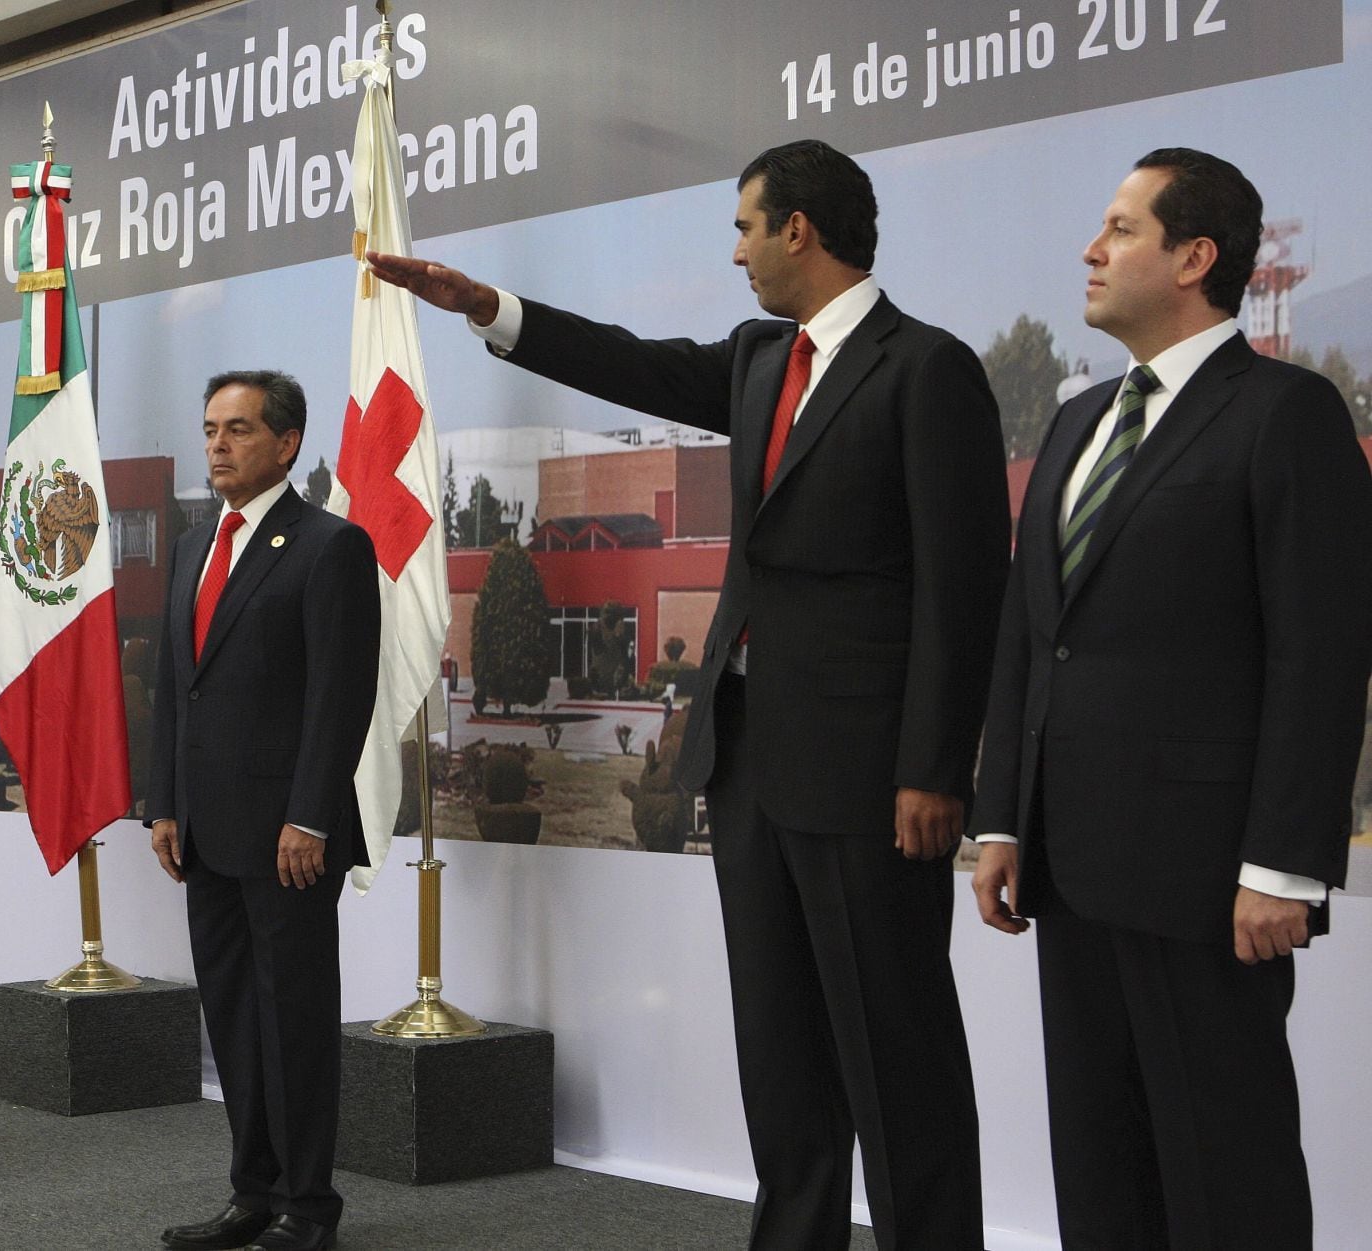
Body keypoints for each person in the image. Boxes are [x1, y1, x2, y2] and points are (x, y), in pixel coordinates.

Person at [370, 139, 1009, 1250]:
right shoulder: (764, 358)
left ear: (798, 229)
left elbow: (964, 587)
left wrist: (932, 769)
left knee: (895, 1056)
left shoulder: (926, 368)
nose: (736, 252)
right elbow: (634, 364)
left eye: (745, 227)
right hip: (752, 760)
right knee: (782, 1054)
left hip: (870, 781)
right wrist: (491, 308)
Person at [971, 148, 1372, 1249]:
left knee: (1223, 1174)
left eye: (1120, 229)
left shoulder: (1287, 414)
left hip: (1210, 882)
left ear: (1195, 257)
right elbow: (1030, 633)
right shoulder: (1074, 421)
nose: (1091, 251)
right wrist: (1003, 814)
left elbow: (1321, 654)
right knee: (1100, 1172)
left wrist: (1285, 864)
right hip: (1070, 867)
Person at [146, 371, 380, 1251]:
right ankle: (254, 1191)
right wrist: (162, 803)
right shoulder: (191, 544)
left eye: (238, 429)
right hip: (204, 832)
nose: (217, 445)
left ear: (286, 443)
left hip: (289, 837)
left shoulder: (329, 546)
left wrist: (312, 816)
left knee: (295, 1022)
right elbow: (177, 687)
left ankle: (309, 1208)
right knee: (235, 1018)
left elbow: (339, 695)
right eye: (209, 428)